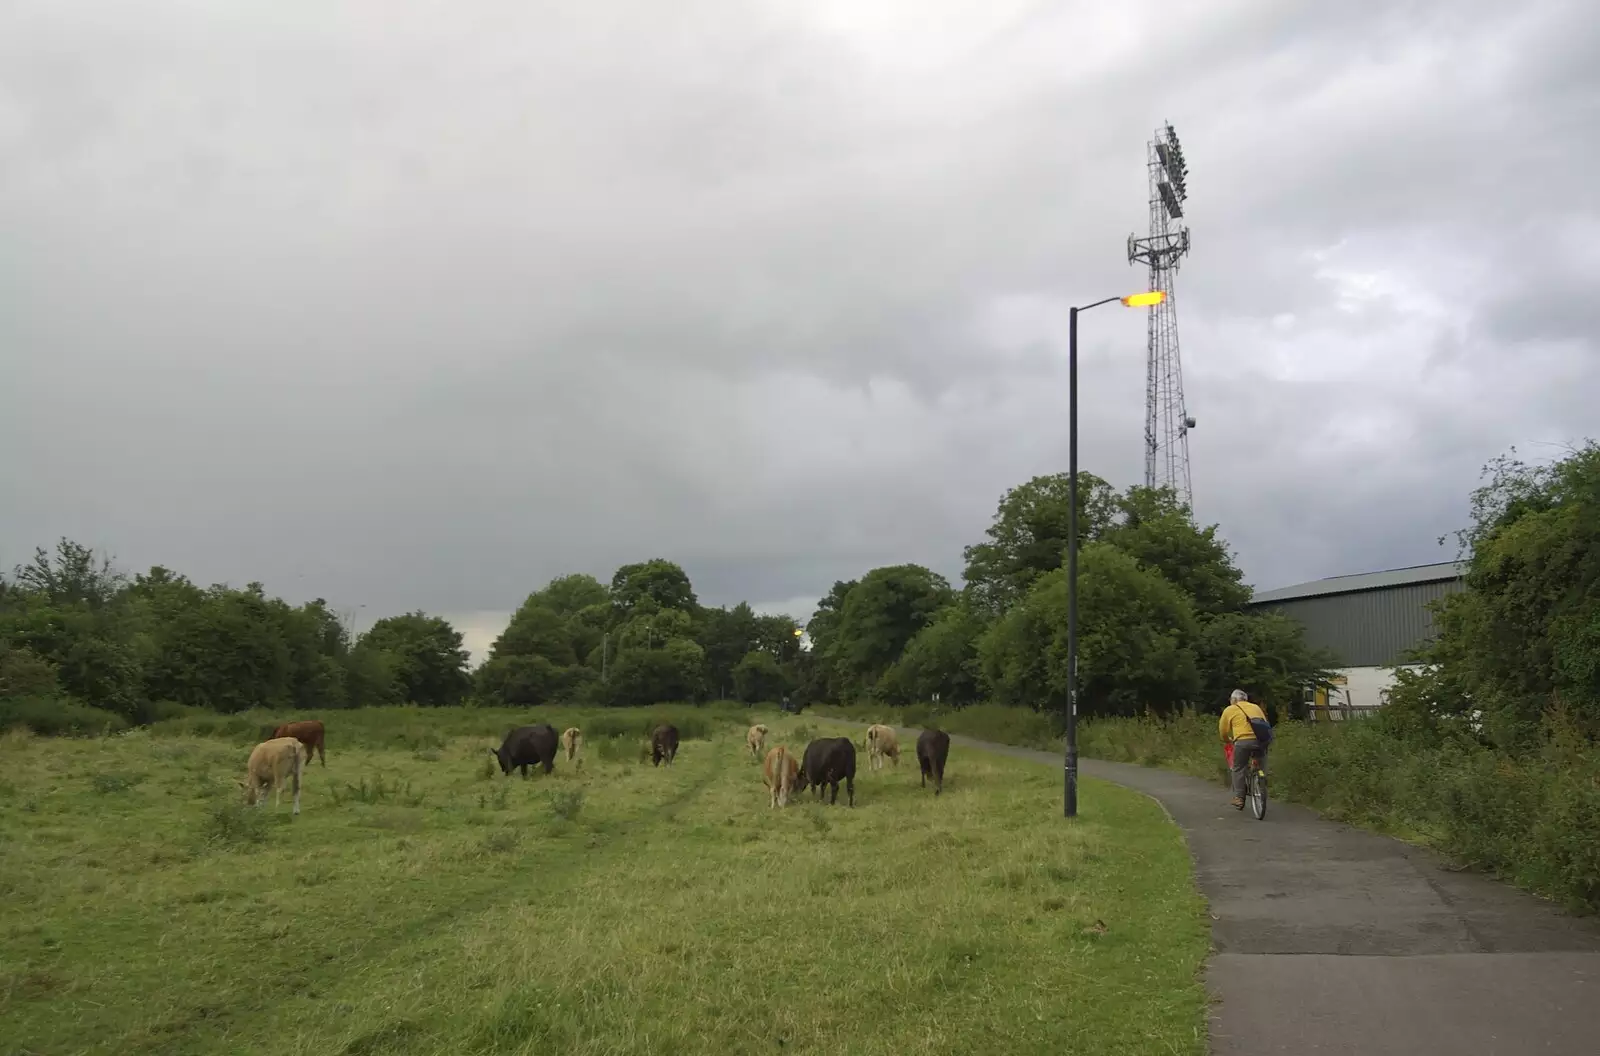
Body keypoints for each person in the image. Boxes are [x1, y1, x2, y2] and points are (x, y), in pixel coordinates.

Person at [1218, 689, 1270, 808]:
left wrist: (1226, 740)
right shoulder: (1256, 708)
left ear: (1234, 700)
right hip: (1261, 741)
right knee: (1261, 762)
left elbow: (1223, 730)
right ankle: (1261, 782)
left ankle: (1239, 797)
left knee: (1238, 767)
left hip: (1242, 742)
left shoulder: (1230, 709)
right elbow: (1265, 723)